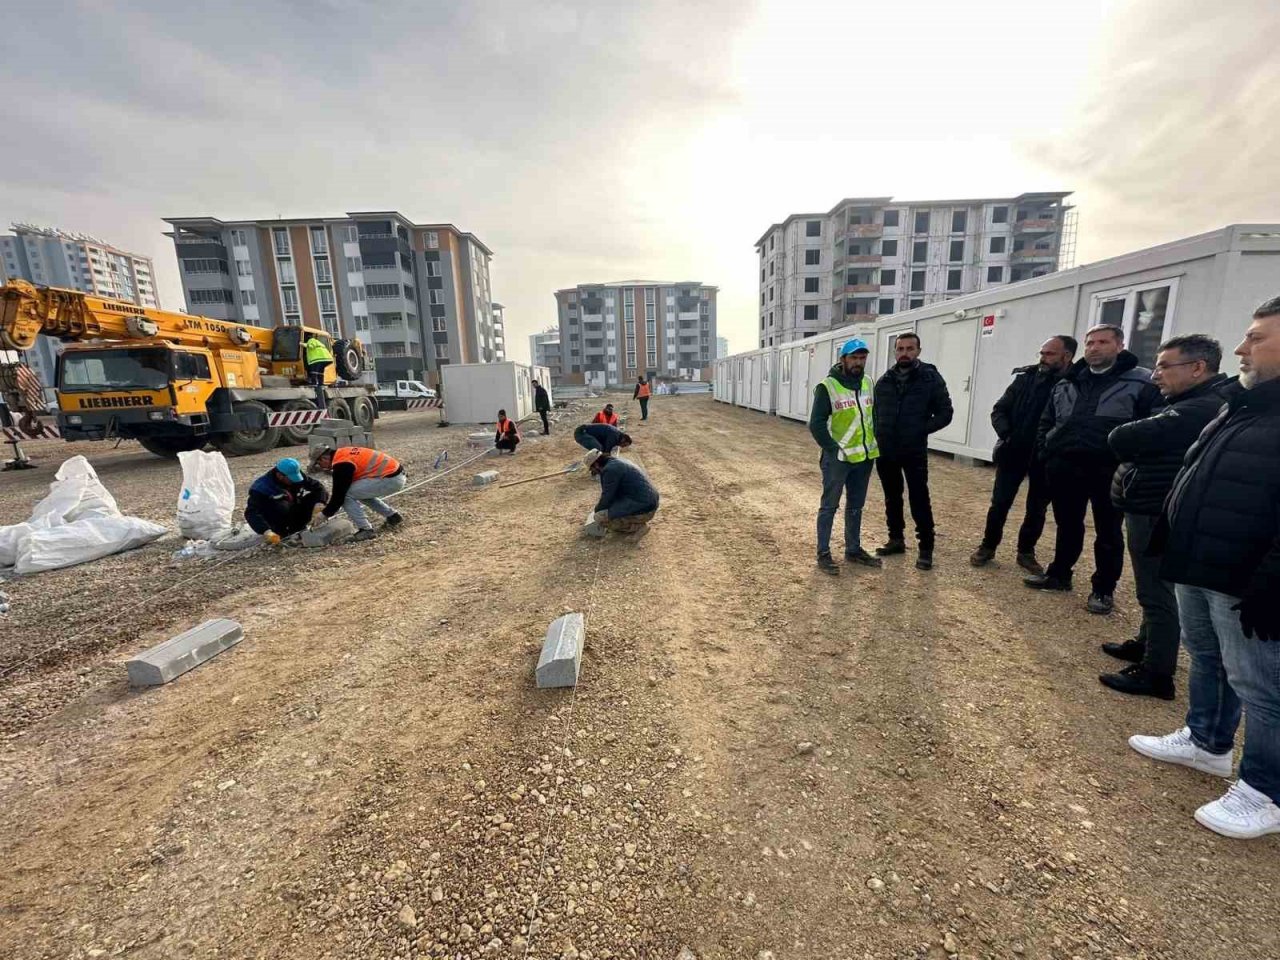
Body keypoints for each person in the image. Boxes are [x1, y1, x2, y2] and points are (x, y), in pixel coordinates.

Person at [1128, 298, 1280, 840]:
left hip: (1248, 575)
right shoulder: (1242, 403)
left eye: (1256, 337)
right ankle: (1207, 742)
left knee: (1263, 686)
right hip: (1203, 560)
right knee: (1210, 657)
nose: (1241, 348)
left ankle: (1265, 792)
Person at [1100, 335, 1232, 699]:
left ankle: (1155, 673)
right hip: (1152, 503)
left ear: (1197, 368)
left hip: (1155, 509)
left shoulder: (1198, 408)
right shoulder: (1193, 402)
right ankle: (1147, 645)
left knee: (1155, 591)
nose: (1156, 375)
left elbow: (1120, 437)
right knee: (1154, 588)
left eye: (1164, 366)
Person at [1025, 324, 1160, 613]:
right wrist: (1047, 450)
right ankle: (1060, 574)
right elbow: (1047, 420)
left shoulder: (1142, 382)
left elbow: (1151, 428)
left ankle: (1103, 589)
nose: (1094, 348)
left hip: (1109, 470)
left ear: (1119, 346)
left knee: (1108, 531)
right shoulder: (1068, 380)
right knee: (1067, 524)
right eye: (1090, 343)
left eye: (1102, 342)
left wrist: (1131, 463)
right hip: (1066, 467)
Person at [970, 336, 1076, 573]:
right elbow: (999, 410)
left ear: (1066, 356)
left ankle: (1026, 552)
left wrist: (1052, 446)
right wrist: (1007, 435)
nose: (1043, 358)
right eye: (1042, 353)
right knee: (999, 504)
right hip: (1014, 452)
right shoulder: (1025, 380)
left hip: (1045, 457)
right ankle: (988, 546)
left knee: (1037, 508)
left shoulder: (1073, 384)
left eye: (1049, 354)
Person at [873, 332, 953, 570]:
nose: (904, 353)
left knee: (919, 498)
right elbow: (874, 413)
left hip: (913, 450)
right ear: (895, 352)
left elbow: (945, 413)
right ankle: (896, 539)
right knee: (892, 497)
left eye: (909, 348)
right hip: (886, 450)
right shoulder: (884, 380)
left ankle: (926, 549)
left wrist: (920, 430)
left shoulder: (930, 378)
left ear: (918, 351)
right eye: (900, 349)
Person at [808, 337, 881, 575]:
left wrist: (874, 442)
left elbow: (873, 416)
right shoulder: (828, 386)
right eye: (854, 357)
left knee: (856, 506)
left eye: (862, 357)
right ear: (843, 359)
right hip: (838, 459)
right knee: (829, 506)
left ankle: (853, 549)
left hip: (864, 457)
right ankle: (823, 553)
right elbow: (816, 424)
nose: (858, 362)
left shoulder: (868, 382)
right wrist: (833, 449)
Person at [311, 444, 406, 542]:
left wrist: (324, 514)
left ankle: (365, 530)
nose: (321, 467)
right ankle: (393, 516)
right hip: (393, 474)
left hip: (390, 479)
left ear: (324, 458)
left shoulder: (342, 464)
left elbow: (339, 496)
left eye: (318, 464)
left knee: (347, 495)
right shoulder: (342, 454)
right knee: (357, 491)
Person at [244, 457, 329, 539]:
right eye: (291, 479)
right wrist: (265, 531)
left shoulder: (296, 475)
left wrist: (319, 504)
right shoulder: (261, 488)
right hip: (277, 520)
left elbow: (319, 488)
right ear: (280, 475)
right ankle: (284, 532)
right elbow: (251, 512)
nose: (295, 481)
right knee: (281, 506)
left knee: (318, 496)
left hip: (295, 511)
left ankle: (304, 525)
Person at [589, 451, 660, 539]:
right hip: (649, 503)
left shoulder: (610, 470)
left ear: (596, 464)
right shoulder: (618, 462)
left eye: (592, 470)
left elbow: (607, 496)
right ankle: (633, 522)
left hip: (644, 508)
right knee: (611, 510)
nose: (594, 472)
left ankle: (638, 527)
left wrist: (597, 510)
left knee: (599, 517)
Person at [303, 333, 334, 410]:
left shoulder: (311, 340)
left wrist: (302, 344)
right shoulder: (318, 342)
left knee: (314, 372)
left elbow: (311, 346)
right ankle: (321, 383)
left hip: (317, 359)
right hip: (326, 359)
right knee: (320, 372)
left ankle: (314, 383)